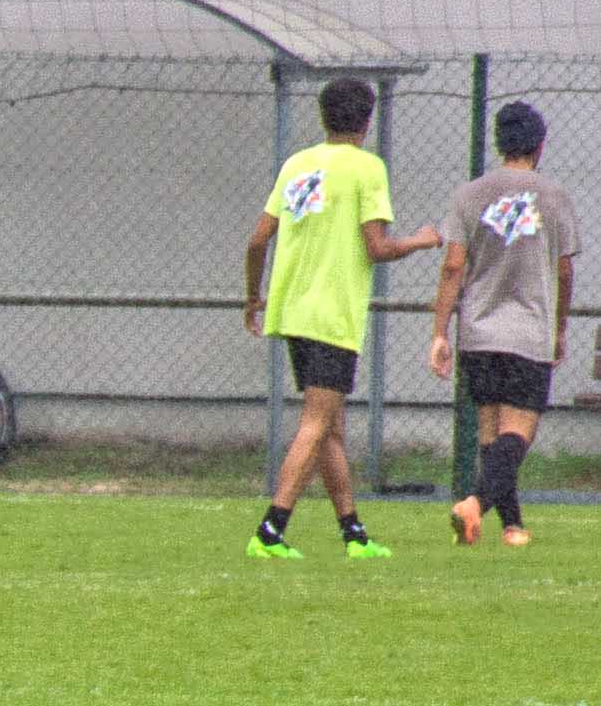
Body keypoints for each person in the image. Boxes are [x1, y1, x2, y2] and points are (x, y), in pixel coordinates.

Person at [242, 76, 440, 560]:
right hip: (332, 315)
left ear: (323, 116)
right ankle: (270, 529)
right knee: (315, 424)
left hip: (291, 310)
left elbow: (257, 239)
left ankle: (353, 533)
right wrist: (421, 240)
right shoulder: (367, 168)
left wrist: (253, 298)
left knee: (331, 429)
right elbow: (377, 247)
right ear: (367, 121)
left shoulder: (298, 164)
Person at [429, 100, 578, 548]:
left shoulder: (468, 194)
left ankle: (512, 527)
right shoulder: (554, 197)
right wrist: (560, 327)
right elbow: (565, 271)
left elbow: (453, 265)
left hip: (478, 332)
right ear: (540, 145)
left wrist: (439, 332)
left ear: (499, 143)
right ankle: (474, 502)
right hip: (528, 331)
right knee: (519, 433)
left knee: (491, 432)